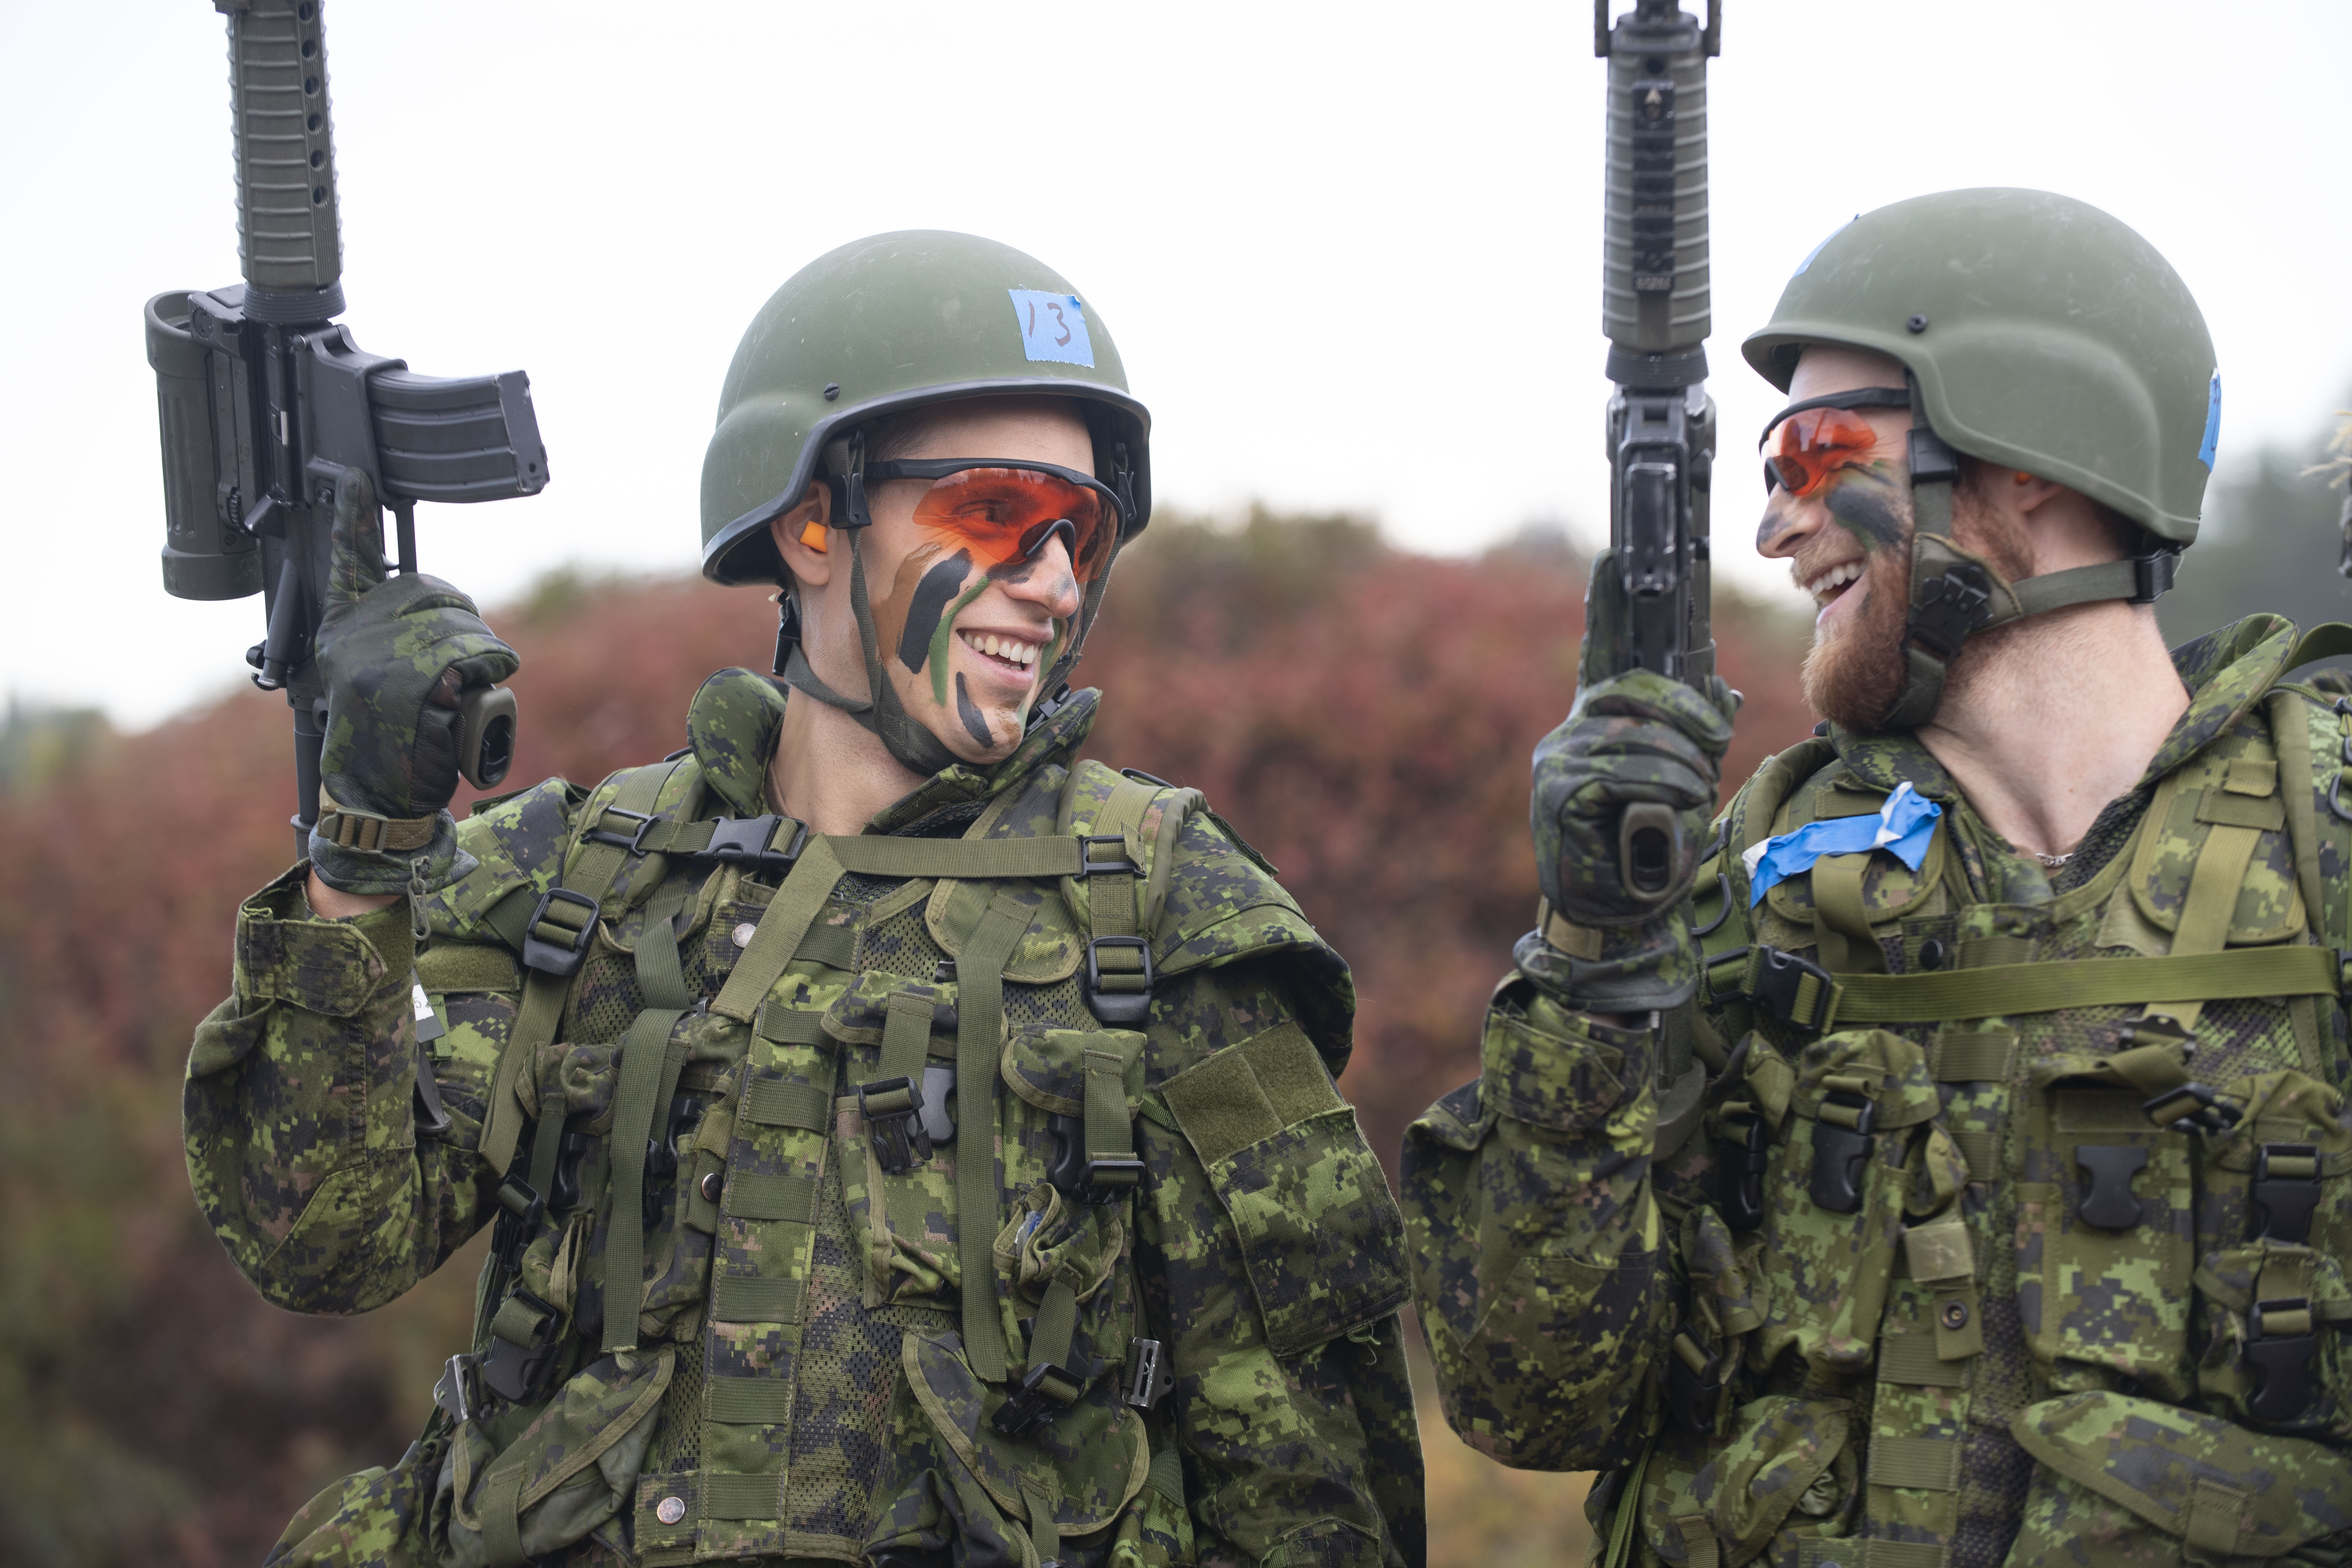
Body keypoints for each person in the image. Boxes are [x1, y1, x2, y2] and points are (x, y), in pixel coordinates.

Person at [185, 231, 1425, 1568]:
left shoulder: (1165, 908)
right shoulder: (572, 876)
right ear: (815, 522)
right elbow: (322, 1241)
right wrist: (363, 854)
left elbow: (1312, 1496)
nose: (1057, 582)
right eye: (999, 513)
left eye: (1084, 532)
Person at [1401, 188, 2352, 1568]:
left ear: (2032, 448)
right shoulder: (1756, 890)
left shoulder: (2324, 845)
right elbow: (1534, 1400)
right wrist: (1590, 963)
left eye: (1817, 453)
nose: (1778, 533)